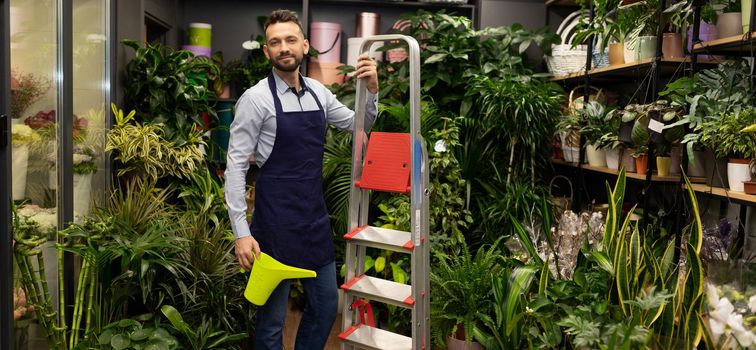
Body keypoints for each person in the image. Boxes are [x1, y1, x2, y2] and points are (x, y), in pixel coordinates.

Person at [223, 9, 379, 349]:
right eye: (275, 42)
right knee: (271, 322)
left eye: (290, 40)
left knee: (325, 307)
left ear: (305, 46)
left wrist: (371, 89)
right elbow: (235, 167)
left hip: (313, 222)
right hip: (273, 227)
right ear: (266, 51)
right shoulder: (256, 99)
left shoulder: (319, 94)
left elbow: (359, 127)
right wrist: (241, 233)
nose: (283, 47)